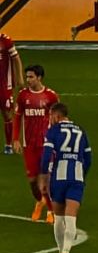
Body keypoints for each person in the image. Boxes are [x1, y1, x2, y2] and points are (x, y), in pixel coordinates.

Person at [39, 103, 91, 253]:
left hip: (59, 178)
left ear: (57, 116)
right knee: (71, 219)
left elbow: (46, 156)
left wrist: (44, 177)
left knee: (59, 218)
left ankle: (60, 252)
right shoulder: (81, 131)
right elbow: (88, 158)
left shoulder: (53, 131)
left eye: (50, 116)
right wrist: (82, 174)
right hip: (76, 177)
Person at [13, 64, 59, 222]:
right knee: (32, 181)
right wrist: (15, 139)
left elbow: (57, 118)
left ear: (39, 77)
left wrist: (57, 138)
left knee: (45, 178)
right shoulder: (23, 96)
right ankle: (40, 201)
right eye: (27, 77)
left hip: (45, 145)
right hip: (29, 145)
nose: (28, 80)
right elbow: (17, 117)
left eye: (31, 77)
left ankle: (51, 212)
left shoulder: (50, 96)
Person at [1, 32, 24, 154]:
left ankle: (8, 145)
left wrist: (20, 78)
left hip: (4, 85)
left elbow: (16, 58)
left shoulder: (6, 41)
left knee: (7, 114)